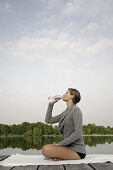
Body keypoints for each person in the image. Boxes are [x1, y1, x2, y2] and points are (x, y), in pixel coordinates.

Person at [42, 88, 86, 161]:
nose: (63, 94)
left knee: (46, 149)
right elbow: (48, 120)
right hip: (67, 148)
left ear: (72, 96)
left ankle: (62, 155)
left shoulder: (76, 110)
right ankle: (62, 155)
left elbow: (78, 133)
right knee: (45, 148)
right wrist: (51, 104)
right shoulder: (64, 113)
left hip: (77, 151)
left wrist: (59, 145)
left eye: (66, 93)